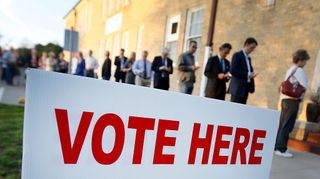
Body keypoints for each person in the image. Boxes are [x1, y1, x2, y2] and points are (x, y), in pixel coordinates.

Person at [274, 49, 310, 158]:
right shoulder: (299, 70)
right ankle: (281, 149)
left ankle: (277, 147)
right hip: (292, 101)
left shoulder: (291, 69)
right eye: (305, 61)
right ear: (301, 60)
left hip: (285, 100)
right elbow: (304, 86)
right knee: (287, 125)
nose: (305, 63)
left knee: (282, 124)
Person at [229, 37, 258, 104]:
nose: (252, 50)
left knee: (242, 110)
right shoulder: (237, 55)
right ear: (246, 44)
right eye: (252, 47)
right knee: (234, 110)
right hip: (237, 89)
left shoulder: (249, 58)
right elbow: (233, 70)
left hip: (245, 89)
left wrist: (251, 75)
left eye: (254, 48)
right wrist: (248, 74)